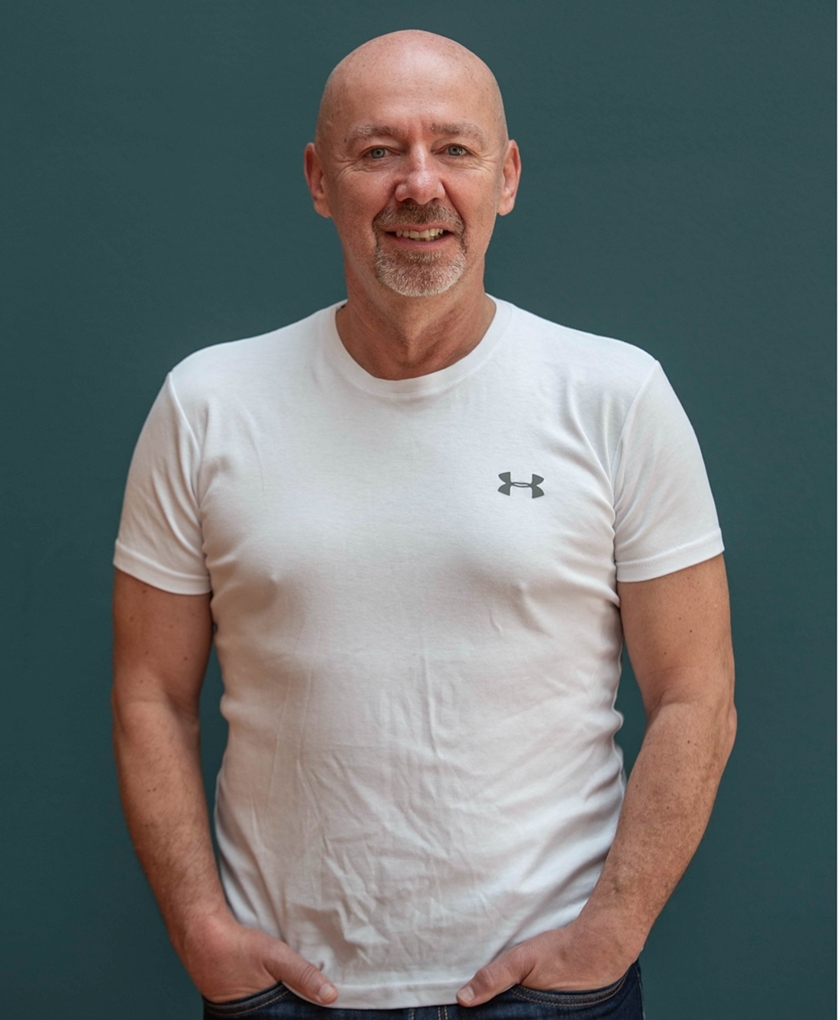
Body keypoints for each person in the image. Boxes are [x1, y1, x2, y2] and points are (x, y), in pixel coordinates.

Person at [112, 29, 736, 1020]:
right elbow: (149, 691)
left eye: (454, 149)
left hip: (553, 994)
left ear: (507, 176)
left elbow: (698, 695)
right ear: (319, 180)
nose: (418, 184)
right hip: (283, 992)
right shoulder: (207, 404)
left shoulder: (616, 398)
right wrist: (201, 931)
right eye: (377, 151)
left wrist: (610, 935)